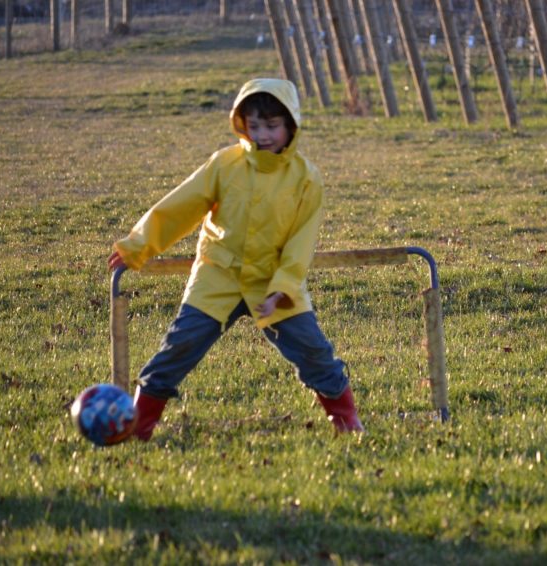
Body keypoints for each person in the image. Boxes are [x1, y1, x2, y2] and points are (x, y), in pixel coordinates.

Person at [108, 78, 363, 440]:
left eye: (272, 125)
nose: (262, 135)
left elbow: (300, 245)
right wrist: (138, 245)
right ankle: (138, 427)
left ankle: (347, 422)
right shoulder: (224, 164)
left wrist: (284, 289)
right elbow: (180, 206)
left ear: (291, 125)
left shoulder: (307, 179)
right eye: (254, 125)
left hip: (274, 283)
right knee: (177, 349)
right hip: (217, 277)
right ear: (242, 124)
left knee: (314, 352)